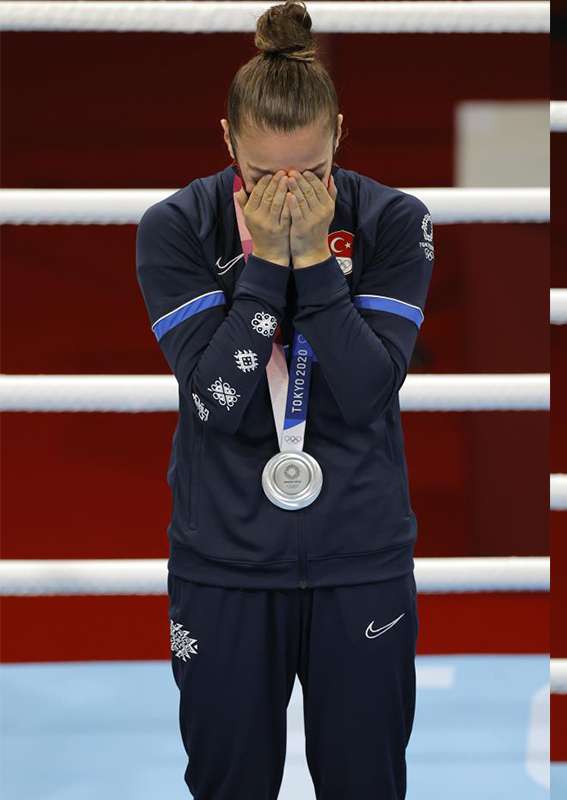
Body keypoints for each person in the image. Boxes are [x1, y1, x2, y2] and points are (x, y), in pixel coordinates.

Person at [135, 1, 434, 796]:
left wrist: (315, 268)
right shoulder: (176, 228)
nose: (291, 193)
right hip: (226, 564)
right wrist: (268, 265)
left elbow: (369, 390)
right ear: (227, 143)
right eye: (265, 177)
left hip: (359, 558)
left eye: (311, 171)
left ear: (341, 134)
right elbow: (217, 402)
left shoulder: (395, 221)